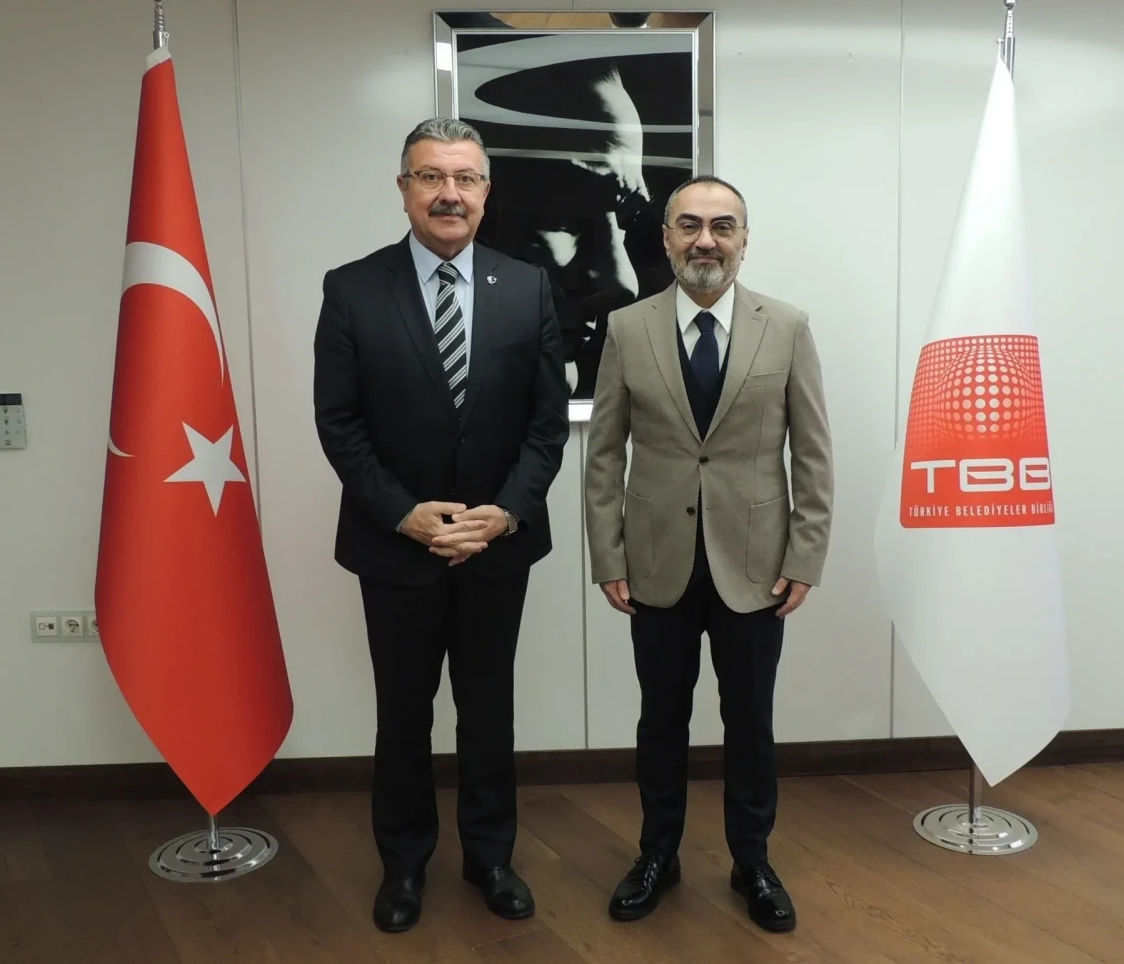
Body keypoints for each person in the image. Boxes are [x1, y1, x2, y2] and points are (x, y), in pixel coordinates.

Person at [313, 117, 570, 933]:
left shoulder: (527, 286)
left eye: (464, 178)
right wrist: (404, 514)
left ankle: (491, 857)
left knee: (489, 712)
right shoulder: (352, 288)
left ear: (487, 192)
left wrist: (508, 511)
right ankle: (404, 865)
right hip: (397, 549)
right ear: (404, 190)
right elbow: (339, 424)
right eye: (431, 177)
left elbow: (547, 425)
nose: (448, 193)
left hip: (497, 545)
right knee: (404, 714)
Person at [583, 175, 834, 934]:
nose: (706, 240)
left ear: (744, 240)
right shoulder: (627, 328)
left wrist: (806, 555)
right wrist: (608, 556)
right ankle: (656, 855)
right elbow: (604, 455)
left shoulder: (786, 326)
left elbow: (812, 453)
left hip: (756, 566)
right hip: (655, 562)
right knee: (660, 720)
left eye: (723, 226)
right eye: (689, 225)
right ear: (666, 238)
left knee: (749, 721)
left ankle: (752, 860)